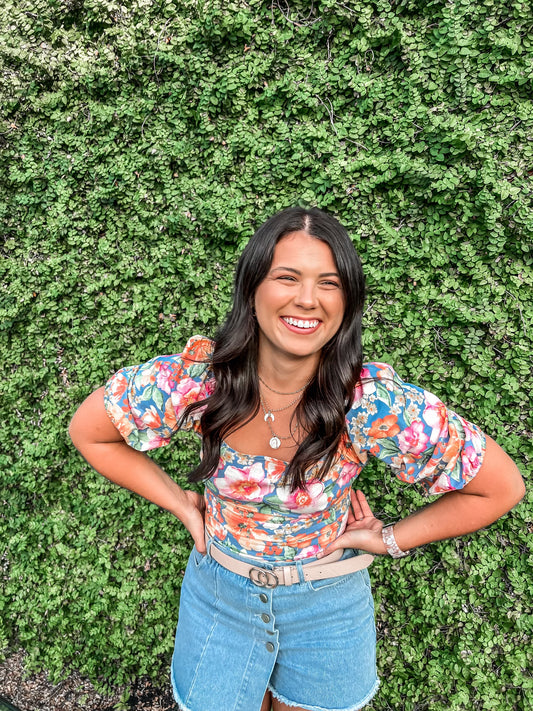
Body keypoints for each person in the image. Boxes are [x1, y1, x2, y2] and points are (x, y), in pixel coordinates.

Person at [69, 207, 525, 711]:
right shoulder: (202, 382)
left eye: (328, 283)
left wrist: (391, 539)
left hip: (328, 608)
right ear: (252, 289)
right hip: (219, 599)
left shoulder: (372, 403)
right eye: (287, 277)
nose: (307, 298)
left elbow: (501, 487)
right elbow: (91, 433)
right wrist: (180, 504)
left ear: (346, 301)